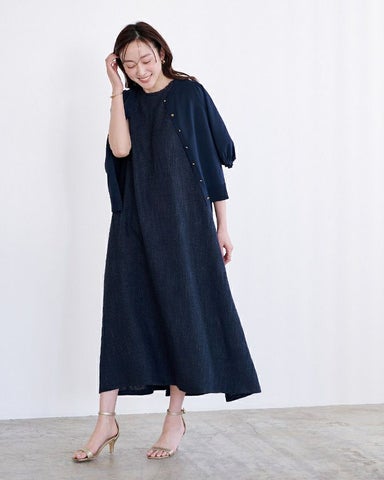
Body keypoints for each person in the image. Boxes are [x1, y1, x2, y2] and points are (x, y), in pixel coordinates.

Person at [73, 21, 261, 462]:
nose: (140, 70)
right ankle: (105, 419)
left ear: (161, 52)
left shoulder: (189, 94)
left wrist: (222, 226)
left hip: (184, 225)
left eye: (146, 59)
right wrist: (115, 91)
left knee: (181, 313)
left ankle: (174, 417)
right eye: (129, 64)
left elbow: (212, 163)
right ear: (119, 66)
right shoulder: (128, 101)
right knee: (123, 313)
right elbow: (120, 150)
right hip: (134, 224)